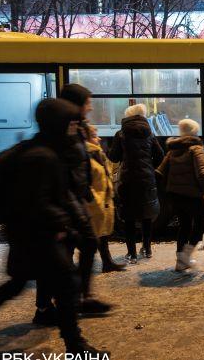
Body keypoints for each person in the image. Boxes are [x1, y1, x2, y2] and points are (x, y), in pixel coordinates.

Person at [0, 99, 105, 360]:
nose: (77, 128)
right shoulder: (41, 157)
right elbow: (37, 201)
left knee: (16, 285)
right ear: (60, 124)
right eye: (73, 124)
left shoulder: (43, 150)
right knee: (66, 284)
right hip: (38, 235)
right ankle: (75, 347)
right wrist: (63, 227)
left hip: (30, 232)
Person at [49, 83, 110, 316]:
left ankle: (81, 297)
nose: (91, 108)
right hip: (66, 203)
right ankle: (53, 305)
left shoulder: (78, 128)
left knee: (85, 245)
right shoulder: (63, 130)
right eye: (87, 103)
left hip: (77, 200)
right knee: (59, 257)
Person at [157, 119, 204, 271]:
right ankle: (185, 256)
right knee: (199, 226)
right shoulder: (196, 148)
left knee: (184, 226)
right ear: (194, 132)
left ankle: (180, 261)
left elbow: (159, 172)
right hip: (192, 196)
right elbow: (203, 174)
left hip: (175, 196)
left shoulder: (172, 150)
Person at [109, 104, 164, 264]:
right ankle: (147, 249)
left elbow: (114, 157)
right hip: (147, 178)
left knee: (129, 217)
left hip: (128, 180)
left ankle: (131, 254)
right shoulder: (149, 134)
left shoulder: (120, 134)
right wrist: (149, 166)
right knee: (147, 215)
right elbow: (160, 155)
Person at [84, 124, 125, 273]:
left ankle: (107, 262)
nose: (99, 138)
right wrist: (95, 200)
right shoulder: (86, 156)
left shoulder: (97, 154)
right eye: (94, 136)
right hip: (94, 205)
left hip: (102, 204)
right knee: (89, 242)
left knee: (102, 235)